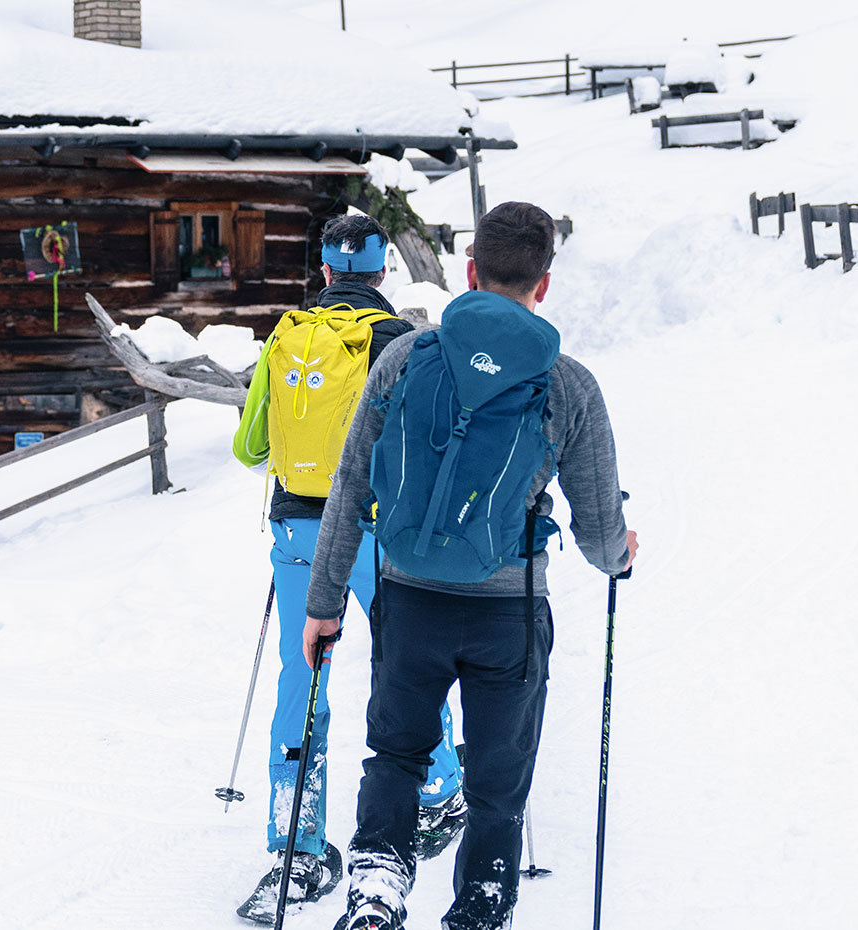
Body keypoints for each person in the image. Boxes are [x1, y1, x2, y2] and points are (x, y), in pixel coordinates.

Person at [305, 202, 638, 930]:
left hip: (409, 600)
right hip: (507, 615)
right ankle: (482, 906)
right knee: (497, 784)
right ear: (543, 284)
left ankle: (376, 892)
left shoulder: (404, 357)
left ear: (469, 271)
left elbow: (352, 484)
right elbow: (598, 533)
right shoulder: (567, 385)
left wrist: (324, 600)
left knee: (395, 755)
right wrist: (620, 555)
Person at [230, 214, 467, 924]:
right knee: (410, 665)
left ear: (325, 272)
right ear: (382, 272)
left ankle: (296, 849)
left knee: (302, 682)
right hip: (380, 531)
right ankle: (438, 791)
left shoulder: (287, 335)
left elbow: (250, 448)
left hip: (300, 525)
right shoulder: (402, 339)